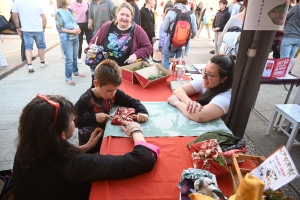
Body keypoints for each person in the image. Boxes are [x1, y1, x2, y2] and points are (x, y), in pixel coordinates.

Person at [13, 94, 159, 199]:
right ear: (61, 133)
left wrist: (84, 147)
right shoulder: (75, 166)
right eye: (72, 119)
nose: (74, 120)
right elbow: (144, 159)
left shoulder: (25, 150)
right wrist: (135, 130)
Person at [75, 59, 149, 153]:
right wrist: (94, 118)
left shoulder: (114, 92)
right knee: (90, 161)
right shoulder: (85, 100)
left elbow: (133, 102)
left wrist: (143, 112)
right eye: (109, 91)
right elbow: (74, 121)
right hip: (88, 140)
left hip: (104, 135)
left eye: (116, 90)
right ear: (96, 84)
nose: (113, 94)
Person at [168, 54, 235, 122]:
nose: (204, 76)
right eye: (204, 71)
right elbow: (179, 90)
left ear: (223, 79)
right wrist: (189, 102)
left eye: (210, 74)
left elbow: (199, 116)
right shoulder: (207, 81)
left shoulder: (226, 97)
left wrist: (177, 102)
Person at [85, 2, 152, 67]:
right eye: (122, 14)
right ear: (117, 14)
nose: (124, 18)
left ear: (132, 17)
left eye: (127, 15)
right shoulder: (107, 26)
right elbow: (94, 42)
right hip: (106, 68)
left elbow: (148, 47)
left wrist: (136, 55)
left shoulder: (137, 30)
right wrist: (90, 49)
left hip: (126, 70)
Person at [11, 0, 48, 73]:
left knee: (28, 48)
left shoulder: (17, 2)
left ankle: (30, 65)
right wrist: (43, 27)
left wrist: (17, 27)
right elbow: (44, 17)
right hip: (38, 29)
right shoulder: (39, 2)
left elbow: (15, 16)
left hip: (26, 29)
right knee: (41, 47)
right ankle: (42, 63)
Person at [55, 0, 86, 86]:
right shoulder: (58, 12)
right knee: (69, 59)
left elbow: (74, 22)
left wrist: (78, 29)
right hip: (66, 39)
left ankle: (76, 72)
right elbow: (59, 28)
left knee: (74, 57)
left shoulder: (70, 10)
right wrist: (72, 31)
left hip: (75, 37)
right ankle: (68, 78)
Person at [161, 0, 198, 69]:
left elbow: (164, 28)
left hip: (171, 42)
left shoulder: (171, 12)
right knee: (180, 63)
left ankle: (167, 77)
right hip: (184, 43)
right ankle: (178, 78)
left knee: (167, 61)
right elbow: (195, 31)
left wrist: (171, 31)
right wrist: (190, 37)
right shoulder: (191, 14)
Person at [71, 0, 93, 64]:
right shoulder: (73, 4)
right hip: (79, 25)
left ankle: (89, 56)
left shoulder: (86, 3)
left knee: (89, 42)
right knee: (81, 42)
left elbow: (89, 14)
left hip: (86, 24)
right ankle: (79, 58)